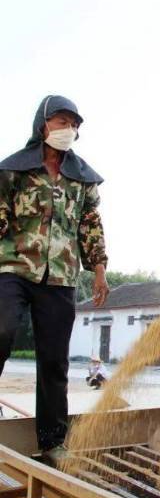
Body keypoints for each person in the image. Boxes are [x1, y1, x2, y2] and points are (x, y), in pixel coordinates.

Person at [0, 95, 110, 465]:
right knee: (1, 330)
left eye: (74, 124)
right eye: (61, 121)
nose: (68, 130)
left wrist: (98, 270)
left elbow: (90, 225)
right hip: (14, 265)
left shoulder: (83, 179)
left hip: (62, 274)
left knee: (54, 360)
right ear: (43, 124)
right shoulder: (14, 171)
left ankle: (52, 443)